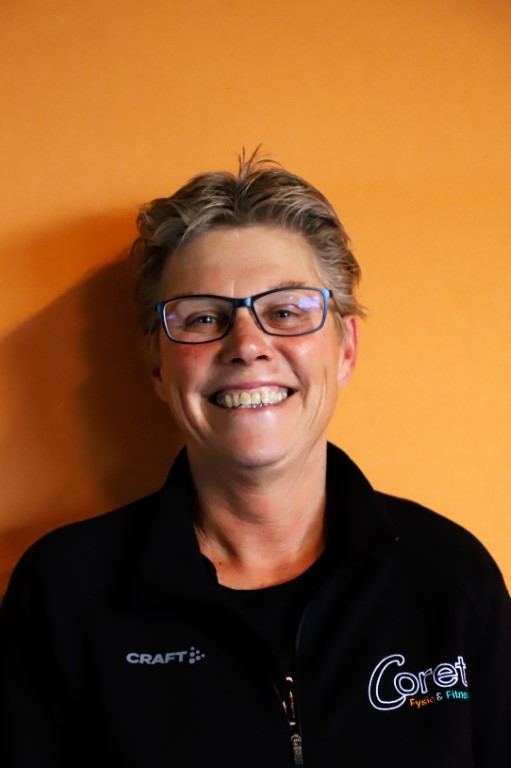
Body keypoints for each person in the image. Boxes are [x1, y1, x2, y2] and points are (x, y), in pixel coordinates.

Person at [1, 152, 510, 767]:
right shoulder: (63, 596)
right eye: (203, 317)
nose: (247, 345)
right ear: (157, 364)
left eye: (286, 312)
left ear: (345, 349)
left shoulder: (451, 580)